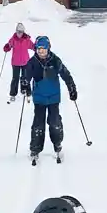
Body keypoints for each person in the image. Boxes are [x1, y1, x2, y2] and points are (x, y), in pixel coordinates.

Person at [22, 36, 77, 164]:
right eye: (38, 49)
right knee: (38, 125)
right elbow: (25, 76)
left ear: (48, 49)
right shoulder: (33, 62)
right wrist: (25, 85)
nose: (41, 51)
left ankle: (57, 144)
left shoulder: (55, 60)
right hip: (39, 99)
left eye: (43, 49)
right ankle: (35, 149)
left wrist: (72, 88)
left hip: (53, 98)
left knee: (55, 123)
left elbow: (66, 75)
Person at [3, 23, 35, 103]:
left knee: (25, 78)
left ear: (23, 32)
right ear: (16, 31)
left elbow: (32, 46)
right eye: (18, 32)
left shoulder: (26, 39)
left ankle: (25, 91)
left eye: (21, 32)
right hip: (15, 63)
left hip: (25, 62)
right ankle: (13, 94)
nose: (19, 34)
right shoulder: (13, 39)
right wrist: (7, 47)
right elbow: (9, 45)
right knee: (15, 78)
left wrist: (38, 48)